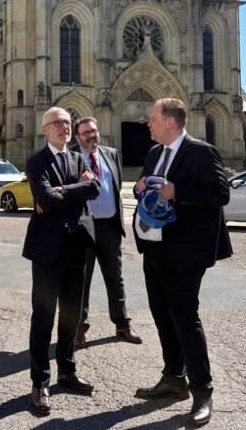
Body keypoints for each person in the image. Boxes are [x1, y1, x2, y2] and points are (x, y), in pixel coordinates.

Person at [133, 98, 233, 427]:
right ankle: (173, 378)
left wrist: (179, 192)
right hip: (155, 246)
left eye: (153, 118)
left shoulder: (201, 152)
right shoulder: (153, 154)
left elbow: (220, 194)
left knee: (185, 318)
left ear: (171, 122)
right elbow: (148, 189)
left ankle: (202, 391)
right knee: (162, 315)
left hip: (187, 250)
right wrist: (139, 187)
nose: (148, 123)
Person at [23, 107, 100, 416]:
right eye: (57, 123)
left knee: (70, 314)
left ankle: (66, 372)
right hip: (47, 249)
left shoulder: (78, 158)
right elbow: (45, 200)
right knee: (43, 316)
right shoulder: (36, 161)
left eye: (68, 122)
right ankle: (39, 381)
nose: (64, 127)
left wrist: (62, 190)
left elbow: (93, 189)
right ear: (45, 130)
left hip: (77, 246)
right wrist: (72, 193)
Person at [71, 116, 141, 349]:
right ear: (77, 137)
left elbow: (116, 188)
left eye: (94, 131)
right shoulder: (70, 157)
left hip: (110, 226)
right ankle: (79, 329)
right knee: (82, 281)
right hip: (83, 229)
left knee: (115, 278)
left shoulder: (110, 154)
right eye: (86, 133)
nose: (91, 136)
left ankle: (122, 323)